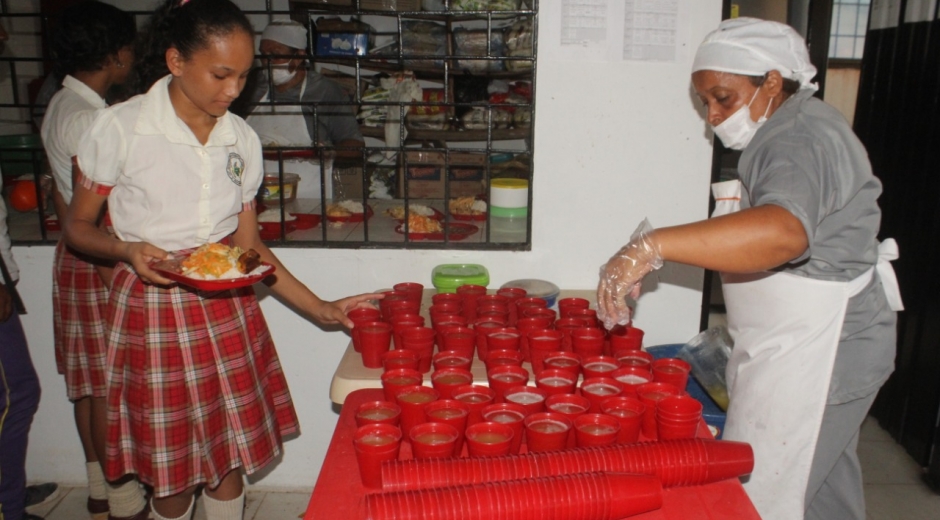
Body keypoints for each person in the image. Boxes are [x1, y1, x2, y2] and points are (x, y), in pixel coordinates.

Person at [63, 2, 380, 520]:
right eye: (220, 74)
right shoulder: (119, 128)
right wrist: (126, 249)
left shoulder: (242, 139)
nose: (233, 90)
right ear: (175, 61)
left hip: (225, 303)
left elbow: (247, 250)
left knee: (228, 451)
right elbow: (78, 227)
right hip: (152, 305)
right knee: (171, 470)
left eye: (243, 75)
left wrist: (320, 307)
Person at [596, 17, 902, 520]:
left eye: (724, 98)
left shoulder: (799, 138)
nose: (714, 116)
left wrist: (653, 245)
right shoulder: (784, 130)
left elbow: (783, 233)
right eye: (706, 103)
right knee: (820, 482)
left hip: (826, 344)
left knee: (769, 488)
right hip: (804, 336)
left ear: (772, 83)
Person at [39, 3, 150, 520]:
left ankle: (99, 492)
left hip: (78, 256)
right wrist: (117, 279)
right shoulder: (91, 119)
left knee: (86, 385)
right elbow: (95, 209)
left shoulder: (62, 102)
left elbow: (64, 201)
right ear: (115, 54)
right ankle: (125, 501)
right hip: (100, 260)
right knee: (107, 385)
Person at [244, 20, 364, 199]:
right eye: (263, 54)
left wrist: (329, 152)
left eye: (275, 55)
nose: (266, 62)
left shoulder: (324, 91)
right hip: (255, 195)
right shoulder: (250, 86)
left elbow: (356, 146)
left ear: (299, 56)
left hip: (307, 196)